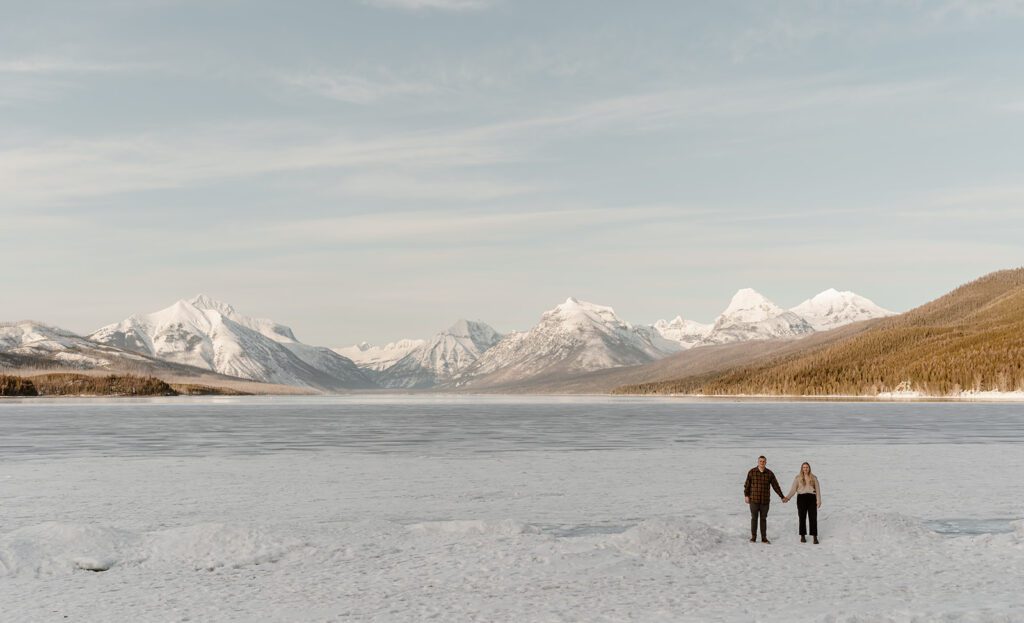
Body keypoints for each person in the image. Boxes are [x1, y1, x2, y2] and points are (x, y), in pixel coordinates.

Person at [743, 455, 785, 544]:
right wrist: (746, 495)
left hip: (765, 501)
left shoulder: (769, 473)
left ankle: (764, 538)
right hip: (754, 500)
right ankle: (753, 537)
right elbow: (747, 485)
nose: (762, 463)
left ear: (766, 462)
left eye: (763, 461)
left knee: (763, 519)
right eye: (760, 461)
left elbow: (775, 486)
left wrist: (782, 496)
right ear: (758, 462)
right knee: (754, 519)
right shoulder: (752, 472)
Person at [783, 462, 822, 544]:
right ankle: (802, 535)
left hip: (812, 498)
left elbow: (818, 490)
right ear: (802, 468)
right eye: (804, 467)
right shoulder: (797, 478)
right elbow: (793, 490)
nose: (805, 469)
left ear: (809, 468)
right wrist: (787, 498)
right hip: (801, 498)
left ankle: (814, 536)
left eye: (807, 467)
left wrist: (818, 501)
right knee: (802, 517)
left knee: (813, 517)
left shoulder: (814, 478)